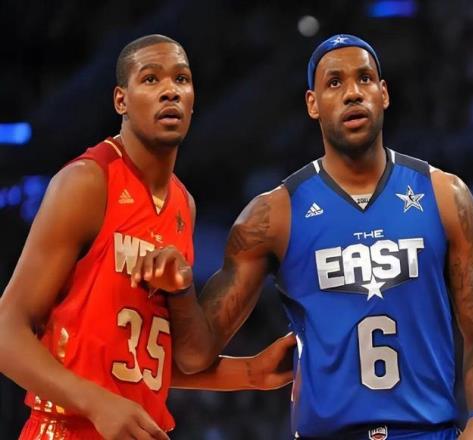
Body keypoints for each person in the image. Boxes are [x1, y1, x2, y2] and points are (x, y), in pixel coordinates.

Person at [133, 34, 473, 439]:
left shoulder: (445, 196)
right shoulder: (273, 216)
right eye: (334, 82)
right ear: (312, 104)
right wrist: (182, 292)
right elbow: (193, 356)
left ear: (384, 93)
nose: (352, 93)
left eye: (364, 79)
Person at [0, 34, 295, 440]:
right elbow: (6, 330)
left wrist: (250, 372)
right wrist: (96, 402)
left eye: (181, 79)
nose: (170, 90)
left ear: (192, 100)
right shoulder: (88, 181)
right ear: (121, 100)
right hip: (66, 428)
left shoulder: (182, 204)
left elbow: (134, 358)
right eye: (151, 79)